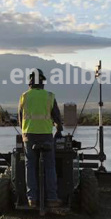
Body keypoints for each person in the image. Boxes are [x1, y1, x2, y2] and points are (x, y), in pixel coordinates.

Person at [18, 69, 63, 208]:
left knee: (30, 165)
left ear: (30, 81)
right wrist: (59, 130)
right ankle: (52, 198)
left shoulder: (24, 96)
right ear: (42, 82)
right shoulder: (49, 96)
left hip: (29, 136)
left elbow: (20, 119)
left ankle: (32, 198)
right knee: (50, 165)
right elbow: (56, 117)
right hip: (46, 135)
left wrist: (24, 131)